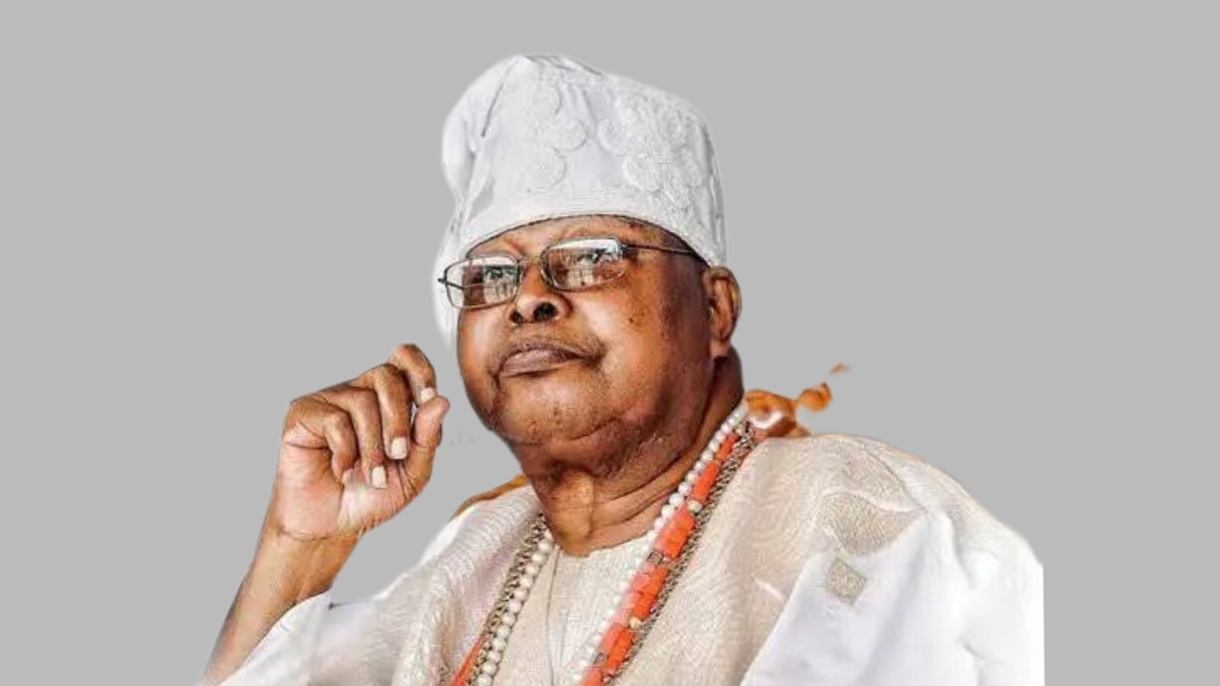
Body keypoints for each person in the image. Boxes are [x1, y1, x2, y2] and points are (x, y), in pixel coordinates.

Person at [199, 54, 1043, 686]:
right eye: (490, 275)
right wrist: (301, 548)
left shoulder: (870, 520)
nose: (529, 298)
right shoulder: (471, 561)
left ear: (715, 309)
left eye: (591, 257)